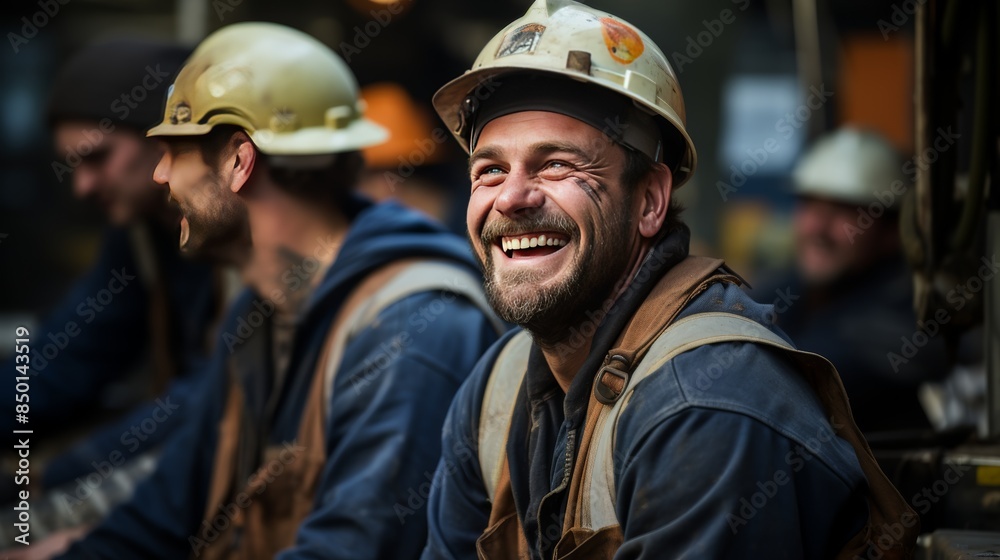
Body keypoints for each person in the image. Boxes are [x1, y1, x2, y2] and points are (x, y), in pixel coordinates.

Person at [422, 1, 916, 559]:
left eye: (557, 164)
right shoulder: (497, 386)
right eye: (489, 170)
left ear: (651, 199)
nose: (511, 198)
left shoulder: (705, 402)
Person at [50, 22, 501, 560]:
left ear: (240, 161)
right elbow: (166, 512)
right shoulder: (259, 312)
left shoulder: (413, 329)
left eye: (175, 150)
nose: (161, 175)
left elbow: (352, 549)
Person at [1, 39, 223, 540]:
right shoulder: (141, 233)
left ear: (165, 140)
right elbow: (67, 357)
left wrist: (50, 476)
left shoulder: (247, 233)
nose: (81, 186)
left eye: (98, 158)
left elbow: (217, 394)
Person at [759, 127, 949, 432]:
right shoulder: (792, 288)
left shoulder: (910, 314)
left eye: (844, 210)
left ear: (891, 231)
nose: (818, 227)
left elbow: (803, 376)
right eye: (810, 204)